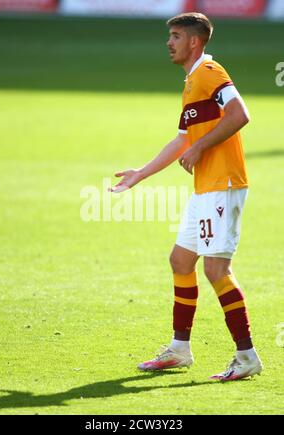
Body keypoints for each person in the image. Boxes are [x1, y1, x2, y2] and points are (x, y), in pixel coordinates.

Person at [109, 12, 263, 381]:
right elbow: (182, 141)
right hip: (206, 188)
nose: (169, 42)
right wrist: (140, 174)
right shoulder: (192, 82)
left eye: (176, 35)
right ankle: (179, 350)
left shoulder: (210, 73)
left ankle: (247, 356)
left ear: (195, 41)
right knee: (181, 260)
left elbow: (241, 114)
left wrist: (200, 148)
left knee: (215, 269)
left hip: (223, 184)